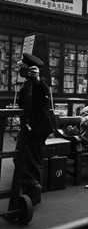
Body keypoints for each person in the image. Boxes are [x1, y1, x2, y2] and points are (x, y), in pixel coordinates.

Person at [16, 53, 54, 206]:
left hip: (37, 129)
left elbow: (44, 91)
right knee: (23, 157)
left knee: (33, 160)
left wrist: (37, 79)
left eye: (22, 68)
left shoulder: (38, 83)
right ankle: (29, 186)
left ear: (29, 69)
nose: (20, 71)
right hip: (30, 128)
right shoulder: (27, 83)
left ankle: (34, 192)